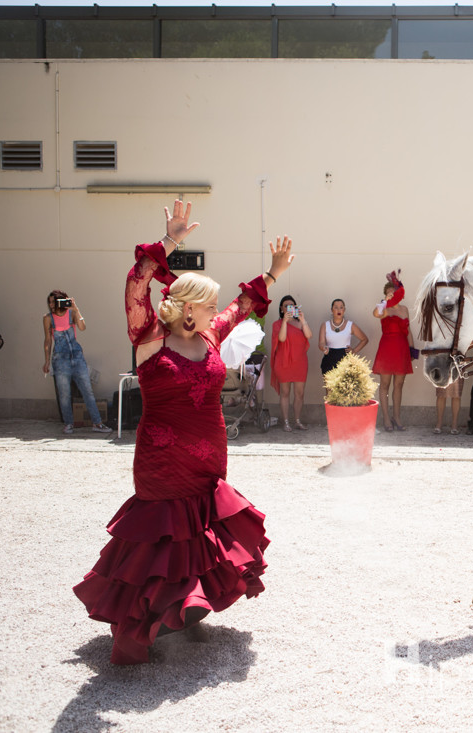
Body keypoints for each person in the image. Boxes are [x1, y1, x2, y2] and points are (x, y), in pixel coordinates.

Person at [74, 200, 291, 665]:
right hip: (162, 456)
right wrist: (169, 241)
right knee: (161, 533)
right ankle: (142, 619)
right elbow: (136, 284)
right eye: (208, 305)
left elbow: (244, 304)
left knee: (200, 530)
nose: (216, 312)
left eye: (214, 306)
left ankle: (187, 605)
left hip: (209, 453)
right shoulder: (150, 336)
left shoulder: (210, 334)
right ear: (188, 308)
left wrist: (272, 273)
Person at [41, 290, 112, 434]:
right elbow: (47, 340)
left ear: (62, 301)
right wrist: (47, 361)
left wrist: (76, 309)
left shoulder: (71, 314)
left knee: (87, 391)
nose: (51, 305)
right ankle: (68, 423)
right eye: (49, 302)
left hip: (77, 357)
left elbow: (82, 327)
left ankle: (97, 423)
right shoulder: (48, 318)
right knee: (64, 394)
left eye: (54, 301)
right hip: (60, 360)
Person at [372, 270, 414, 431]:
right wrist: (384, 302)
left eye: (394, 292)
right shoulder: (384, 309)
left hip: (402, 348)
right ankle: (386, 419)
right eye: (389, 293)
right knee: (385, 384)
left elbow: (408, 330)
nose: (392, 295)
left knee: (399, 384)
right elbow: (375, 314)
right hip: (387, 348)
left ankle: (397, 417)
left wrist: (412, 350)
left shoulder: (404, 310)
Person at [270, 295, 312, 431]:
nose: (290, 308)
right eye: (287, 306)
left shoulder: (300, 323)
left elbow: (309, 335)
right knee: (285, 392)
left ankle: (298, 421)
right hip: (283, 363)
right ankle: (286, 422)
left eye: (292, 306)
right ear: (281, 309)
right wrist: (285, 322)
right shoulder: (277, 324)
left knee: (300, 393)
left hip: (299, 362)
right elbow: (281, 338)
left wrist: (303, 319)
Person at [318, 298, 369, 380]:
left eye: (341, 307)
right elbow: (321, 343)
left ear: (344, 310)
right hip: (329, 358)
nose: (339, 310)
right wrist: (324, 348)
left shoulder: (350, 325)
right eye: (336, 307)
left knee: (344, 389)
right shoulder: (325, 325)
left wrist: (354, 350)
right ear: (331, 310)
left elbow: (364, 339)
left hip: (345, 358)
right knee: (329, 389)